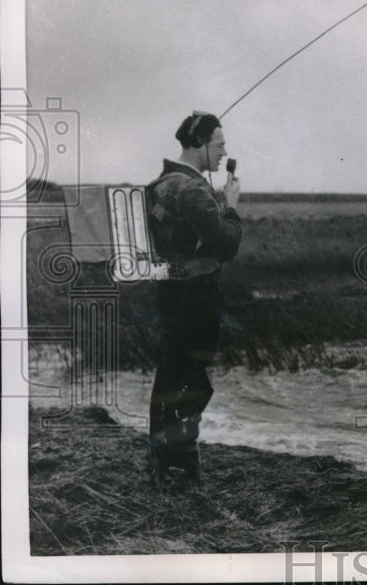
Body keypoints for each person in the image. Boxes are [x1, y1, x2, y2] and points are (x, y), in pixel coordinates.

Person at [146, 111, 242, 486]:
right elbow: (229, 245)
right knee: (192, 382)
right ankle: (179, 465)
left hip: (172, 295)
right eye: (219, 145)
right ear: (200, 144)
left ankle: (163, 461)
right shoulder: (192, 189)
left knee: (172, 375)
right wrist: (231, 205)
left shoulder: (162, 182)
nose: (223, 153)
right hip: (196, 299)